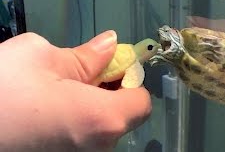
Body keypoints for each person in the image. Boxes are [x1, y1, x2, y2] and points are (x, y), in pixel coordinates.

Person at [0, 30, 151, 151]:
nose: (154, 51)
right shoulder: (135, 65)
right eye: (151, 49)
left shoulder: (125, 47)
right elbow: (131, 83)